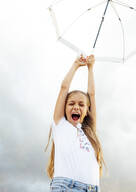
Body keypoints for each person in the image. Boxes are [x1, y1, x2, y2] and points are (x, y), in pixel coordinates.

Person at [45, 54, 105, 192]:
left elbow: (92, 94)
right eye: (71, 103)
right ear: (64, 108)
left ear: (86, 111)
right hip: (67, 187)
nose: (76, 107)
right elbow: (64, 88)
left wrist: (91, 69)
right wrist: (76, 65)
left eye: (81, 105)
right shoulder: (60, 125)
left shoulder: (89, 132)